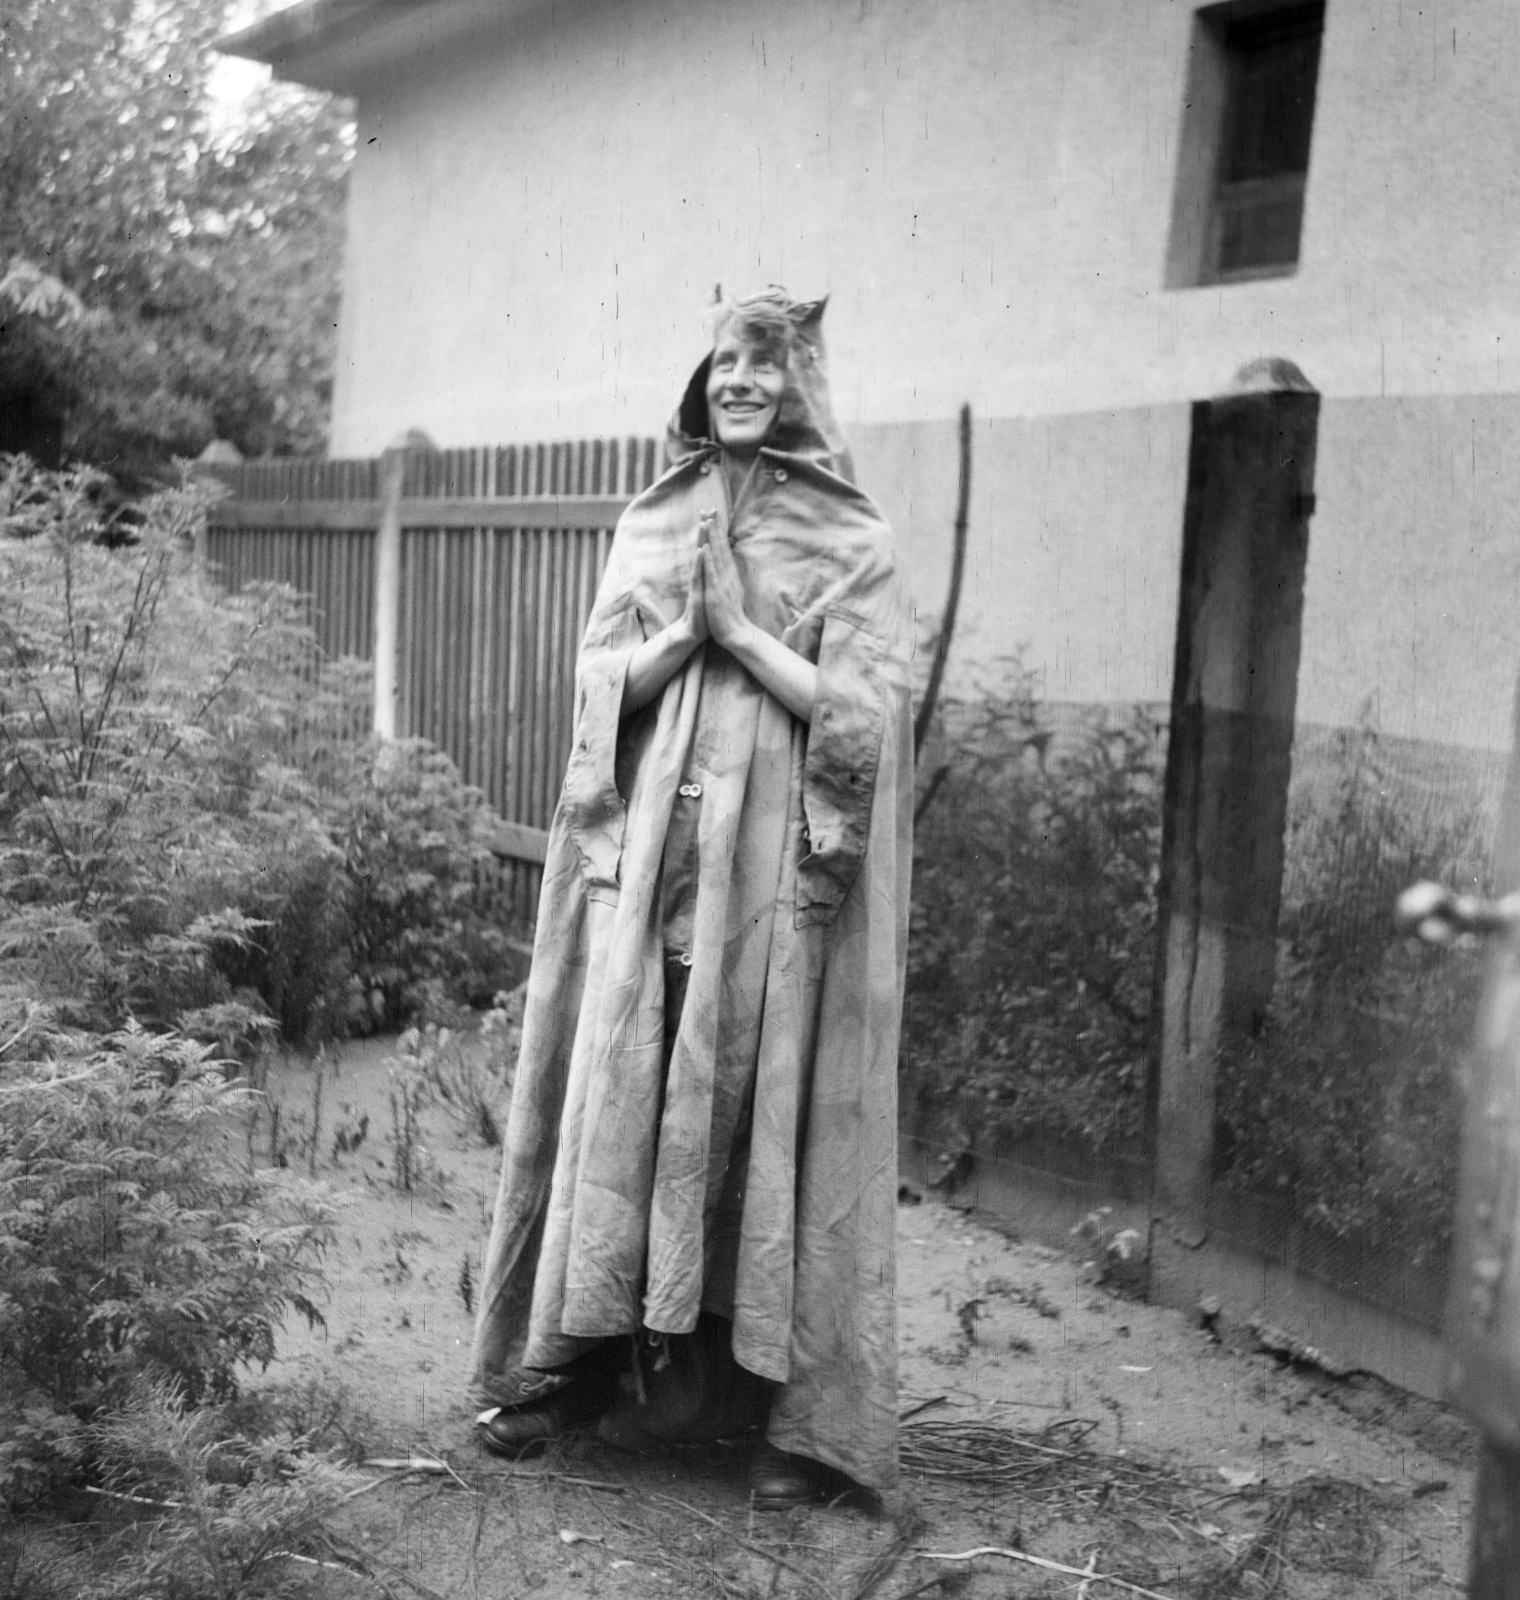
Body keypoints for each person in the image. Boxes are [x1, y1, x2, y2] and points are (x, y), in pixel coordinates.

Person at [468, 288, 912, 1505]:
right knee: (631, 1090)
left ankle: (782, 1412)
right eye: (724, 357)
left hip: (772, 873)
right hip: (657, 858)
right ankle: (582, 1368)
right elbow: (600, 679)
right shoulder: (654, 517)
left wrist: (740, 634)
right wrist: (679, 642)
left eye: (764, 363)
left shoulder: (850, 535)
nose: (738, 380)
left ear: (801, 385)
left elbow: (865, 715)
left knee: (754, 1105)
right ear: (698, 376)